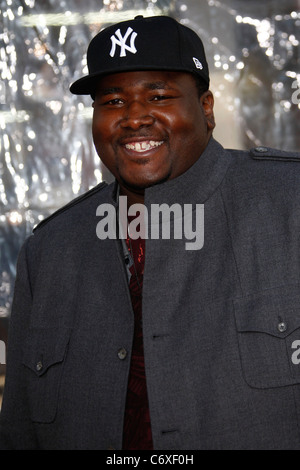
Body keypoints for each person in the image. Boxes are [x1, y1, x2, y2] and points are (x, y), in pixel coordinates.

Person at [1, 14, 300, 450]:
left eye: (158, 95)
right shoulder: (47, 253)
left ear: (206, 108)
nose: (135, 117)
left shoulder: (289, 203)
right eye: (113, 101)